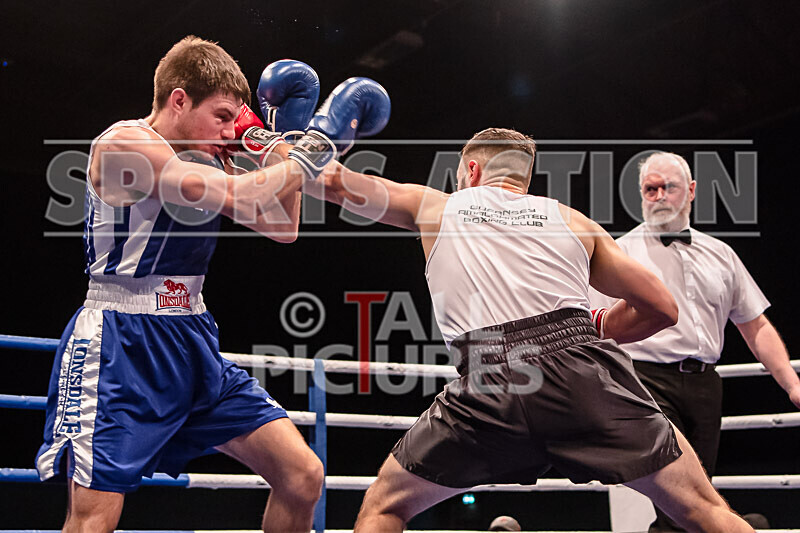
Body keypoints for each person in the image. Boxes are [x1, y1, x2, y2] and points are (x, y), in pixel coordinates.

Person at [306, 128, 755, 532]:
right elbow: (661, 307)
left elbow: (330, 181)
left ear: (472, 169)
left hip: (487, 377)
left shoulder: (438, 206)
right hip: (585, 372)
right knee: (702, 508)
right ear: (525, 179)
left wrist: (280, 139)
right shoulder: (572, 220)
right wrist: (596, 326)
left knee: (383, 509)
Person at [34, 35, 389, 533]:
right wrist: (312, 148)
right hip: (120, 343)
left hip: (192, 339)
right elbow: (242, 191)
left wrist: (284, 139)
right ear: (179, 99)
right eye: (222, 115)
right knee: (95, 517)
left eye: (236, 117)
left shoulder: (210, 156)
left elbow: (281, 228)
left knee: (302, 475)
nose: (231, 129)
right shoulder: (125, 145)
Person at [588, 151, 800, 532]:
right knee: (679, 495)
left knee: (698, 497)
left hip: (705, 383)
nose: (658, 196)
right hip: (644, 382)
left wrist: (792, 383)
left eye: (667, 187)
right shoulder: (619, 254)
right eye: (649, 189)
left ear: (691, 191)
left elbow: (756, 326)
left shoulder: (721, 254)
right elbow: (591, 327)